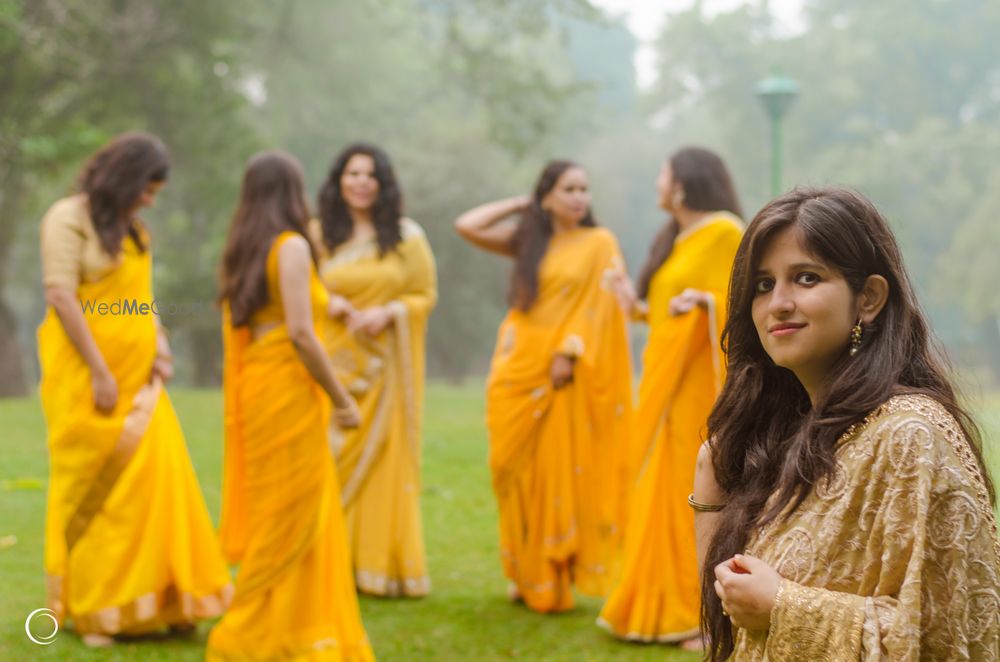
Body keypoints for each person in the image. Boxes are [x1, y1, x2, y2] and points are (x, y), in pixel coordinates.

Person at [696, 186, 999, 660]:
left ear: (870, 298)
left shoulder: (910, 437)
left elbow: (942, 638)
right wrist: (710, 492)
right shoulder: (786, 438)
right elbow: (726, 630)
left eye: (806, 278)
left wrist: (784, 607)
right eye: (763, 285)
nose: (778, 303)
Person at [37, 132, 232, 647]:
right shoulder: (67, 218)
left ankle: (164, 601)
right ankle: (100, 609)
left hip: (140, 380)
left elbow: (139, 301)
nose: (149, 200)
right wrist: (101, 371)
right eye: (147, 188)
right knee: (97, 488)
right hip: (86, 377)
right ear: (123, 177)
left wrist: (160, 344)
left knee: (154, 487)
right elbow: (61, 294)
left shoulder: (134, 230)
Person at [209, 151, 374, 661]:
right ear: (294, 193)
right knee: (295, 508)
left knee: (278, 508)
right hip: (287, 389)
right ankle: (258, 630)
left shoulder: (244, 248)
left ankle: (291, 625)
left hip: (258, 384)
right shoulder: (293, 246)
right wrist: (342, 399)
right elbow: (302, 334)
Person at [454, 160, 633, 613]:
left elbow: (601, 306)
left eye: (584, 189)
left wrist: (569, 350)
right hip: (516, 367)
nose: (579, 198)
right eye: (568, 189)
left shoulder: (599, 243)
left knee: (554, 473)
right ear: (547, 196)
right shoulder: (528, 241)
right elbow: (466, 226)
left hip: (561, 372)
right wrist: (521, 205)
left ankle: (550, 576)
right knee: (508, 472)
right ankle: (522, 570)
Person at [598, 147, 744, 648]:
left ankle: (708, 613)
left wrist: (708, 303)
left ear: (683, 182)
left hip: (702, 385)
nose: (658, 181)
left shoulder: (725, 231)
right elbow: (662, 315)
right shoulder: (674, 239)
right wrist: (630, 302)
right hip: (664, 385)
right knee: (659, 491)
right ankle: (662, 604)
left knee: (699, 491)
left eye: (663, 173)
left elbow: (747, 299)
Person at [311, 142, 437, 597]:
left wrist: (390, 313)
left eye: (370, 175)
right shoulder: (318, 236)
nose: (361, 183)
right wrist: (332, 302)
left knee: (385, 463)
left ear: (383, 185)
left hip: (386, 369)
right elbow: (300, 290)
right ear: (338, 182)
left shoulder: (406, 237)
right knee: (327, 457)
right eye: (352, 174)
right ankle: (327, 561)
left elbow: (424, 294)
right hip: (333, 366)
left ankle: (377, 567)